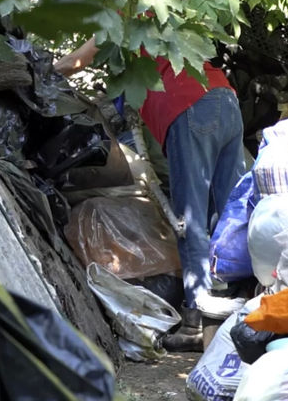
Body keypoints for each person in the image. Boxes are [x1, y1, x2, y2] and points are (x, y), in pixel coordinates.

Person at [55, 37, 247, 351]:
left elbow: (77, 60)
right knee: (229, 212)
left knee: (190, 218)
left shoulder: (124, 14)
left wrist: (45, 71)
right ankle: (239, 303)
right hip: (224, 98)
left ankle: (197, 320)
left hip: (188, 106)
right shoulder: (165, 14)